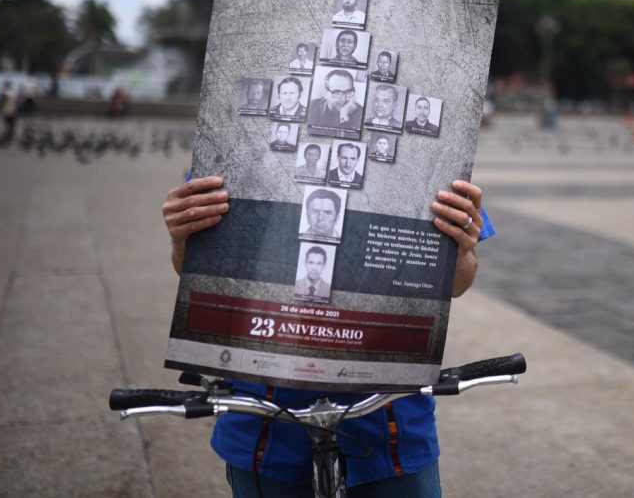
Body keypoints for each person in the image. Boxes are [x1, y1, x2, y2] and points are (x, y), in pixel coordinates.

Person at [164, 175, 490, 497]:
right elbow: (193, 266)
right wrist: (182, 239)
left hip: (392, 422)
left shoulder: (431, 164)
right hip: (262, 422)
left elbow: (459, 282)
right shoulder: (240, 148)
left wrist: (459, 253)